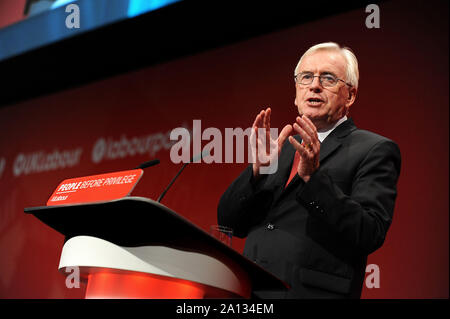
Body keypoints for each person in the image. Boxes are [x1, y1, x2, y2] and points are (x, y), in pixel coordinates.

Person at [217, 42, 401, 298]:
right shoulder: (281, 149)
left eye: (328, 78)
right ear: (295, 92)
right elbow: (229, 223)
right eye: (306, 77)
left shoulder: (374, 149)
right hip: (253, 293)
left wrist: (313, 178)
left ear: (350, 95)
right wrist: (256, 171)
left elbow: (369, 232)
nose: (314, 85)